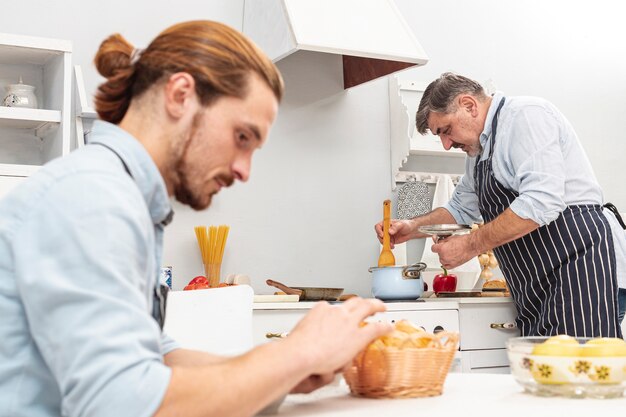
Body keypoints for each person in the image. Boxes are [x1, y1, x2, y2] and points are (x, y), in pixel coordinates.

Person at [0, 21, 393, 417]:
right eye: (243, 137)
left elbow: (155, 357)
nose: (245, 171)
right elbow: (120, 403)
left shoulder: (120, 198)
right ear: (180, 95)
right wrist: (295, 354)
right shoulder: (93, 199)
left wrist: (284, 372)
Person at [376, 72, 626, 338]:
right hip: (539, 283)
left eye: (446, 130)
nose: (447, 145)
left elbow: (541, 202)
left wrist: (471, 245)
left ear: (469, 105)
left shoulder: (526, 116)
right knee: (547, 371)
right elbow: (459, 209)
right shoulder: (479, 151)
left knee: (576, 371)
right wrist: (412, 227)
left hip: (580, 265)